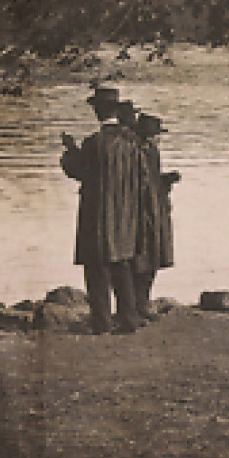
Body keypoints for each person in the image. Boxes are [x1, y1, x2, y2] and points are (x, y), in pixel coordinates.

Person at [60, 85, 146, 334]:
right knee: (123, 266)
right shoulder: (133, 144)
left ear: (98, 111)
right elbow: (141, 180)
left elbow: (78, 171)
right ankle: (129, 319)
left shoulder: (94, 144)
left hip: (97, 213)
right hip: (126, 215)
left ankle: (101, 322)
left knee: (97, 269)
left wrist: (69, 150)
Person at [132, 111, 179, 317]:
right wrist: (165, 182)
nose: (159, 139)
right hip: (149, 213)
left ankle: (140, 303)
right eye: (157, 134)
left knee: (149, 259)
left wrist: (164, 180)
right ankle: (140, 305)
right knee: (147, 258)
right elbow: (147, 185)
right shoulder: (145, 153)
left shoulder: (147, 152)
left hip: (151, 211)